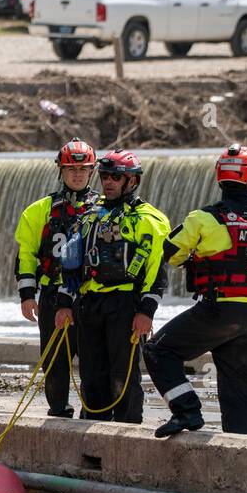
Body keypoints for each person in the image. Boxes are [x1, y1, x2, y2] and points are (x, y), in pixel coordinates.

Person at [144, 143, 247, 437]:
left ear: (220, 177)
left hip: (216, 310)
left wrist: (197, 260)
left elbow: (171, 253)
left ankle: (187, 411)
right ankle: (240, 445)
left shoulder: (204, 218)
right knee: (239, 384)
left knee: (159, 350)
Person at [62, 149, 170, 423]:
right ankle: (92, 427)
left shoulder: (148, 219)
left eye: (116, 177)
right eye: (105, 176)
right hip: (89, 305)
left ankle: (127, 431)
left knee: (123, 375)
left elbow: (156, 269)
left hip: (125, 306)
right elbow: (72, 264)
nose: (108, 182)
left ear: (131, 181)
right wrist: (65, 303)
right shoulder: (88, 215)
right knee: (91, 374)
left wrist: (147, 311)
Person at [13, 138, 98, 417]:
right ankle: (59, 409)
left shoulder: (103, 210)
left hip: (89, 296)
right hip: (51, 294)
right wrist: (27, 295)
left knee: (92, 357)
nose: (77, 174)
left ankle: (92, 412)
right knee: (54, 360)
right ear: (61, 171)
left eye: (83, 169)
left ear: (91, 171)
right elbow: (26, 255)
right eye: (71, 169)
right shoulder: (39, 211)